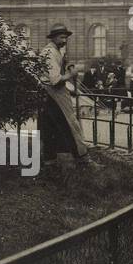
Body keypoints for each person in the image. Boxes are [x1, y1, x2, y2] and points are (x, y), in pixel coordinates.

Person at [39, 26, 90, 162]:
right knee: (70, 124)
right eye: (62, 37)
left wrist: (68, 65)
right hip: (53, 92)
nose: (65, 40)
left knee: (52, 127)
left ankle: (51, 159)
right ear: (54, 38)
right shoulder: (49, 53)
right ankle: (82, 157)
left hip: (50, 94)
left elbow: (65, 61)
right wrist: (71, 74)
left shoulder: (57, 50)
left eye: (66, 37)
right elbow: (55, 80)